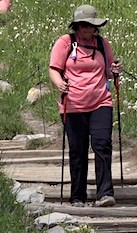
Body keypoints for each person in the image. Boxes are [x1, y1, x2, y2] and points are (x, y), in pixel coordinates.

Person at [49, 4, 122, 207]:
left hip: (101, 101)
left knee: (102, 145)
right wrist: (59, 83)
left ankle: (105, 193)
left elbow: (107, 71)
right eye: (83, 25)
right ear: (77, 26)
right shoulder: (65, 42)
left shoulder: (102, 44)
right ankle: (77, 196)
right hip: (73, 104)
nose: (87, 29)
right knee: (78, 150)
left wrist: (114, 71)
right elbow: (54, 68)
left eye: (91, 25)